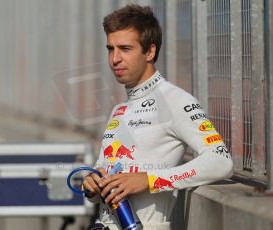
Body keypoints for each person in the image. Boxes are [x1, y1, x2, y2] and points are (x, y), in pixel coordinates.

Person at [83, 4, 233, 230]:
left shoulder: (177, 100)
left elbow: (220, 162)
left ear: (150, 52)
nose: (115, 59)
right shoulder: (119, 110)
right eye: (110, 48)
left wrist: (150, 179)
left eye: (125, 48)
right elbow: (101, 184)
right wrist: (92, 184)